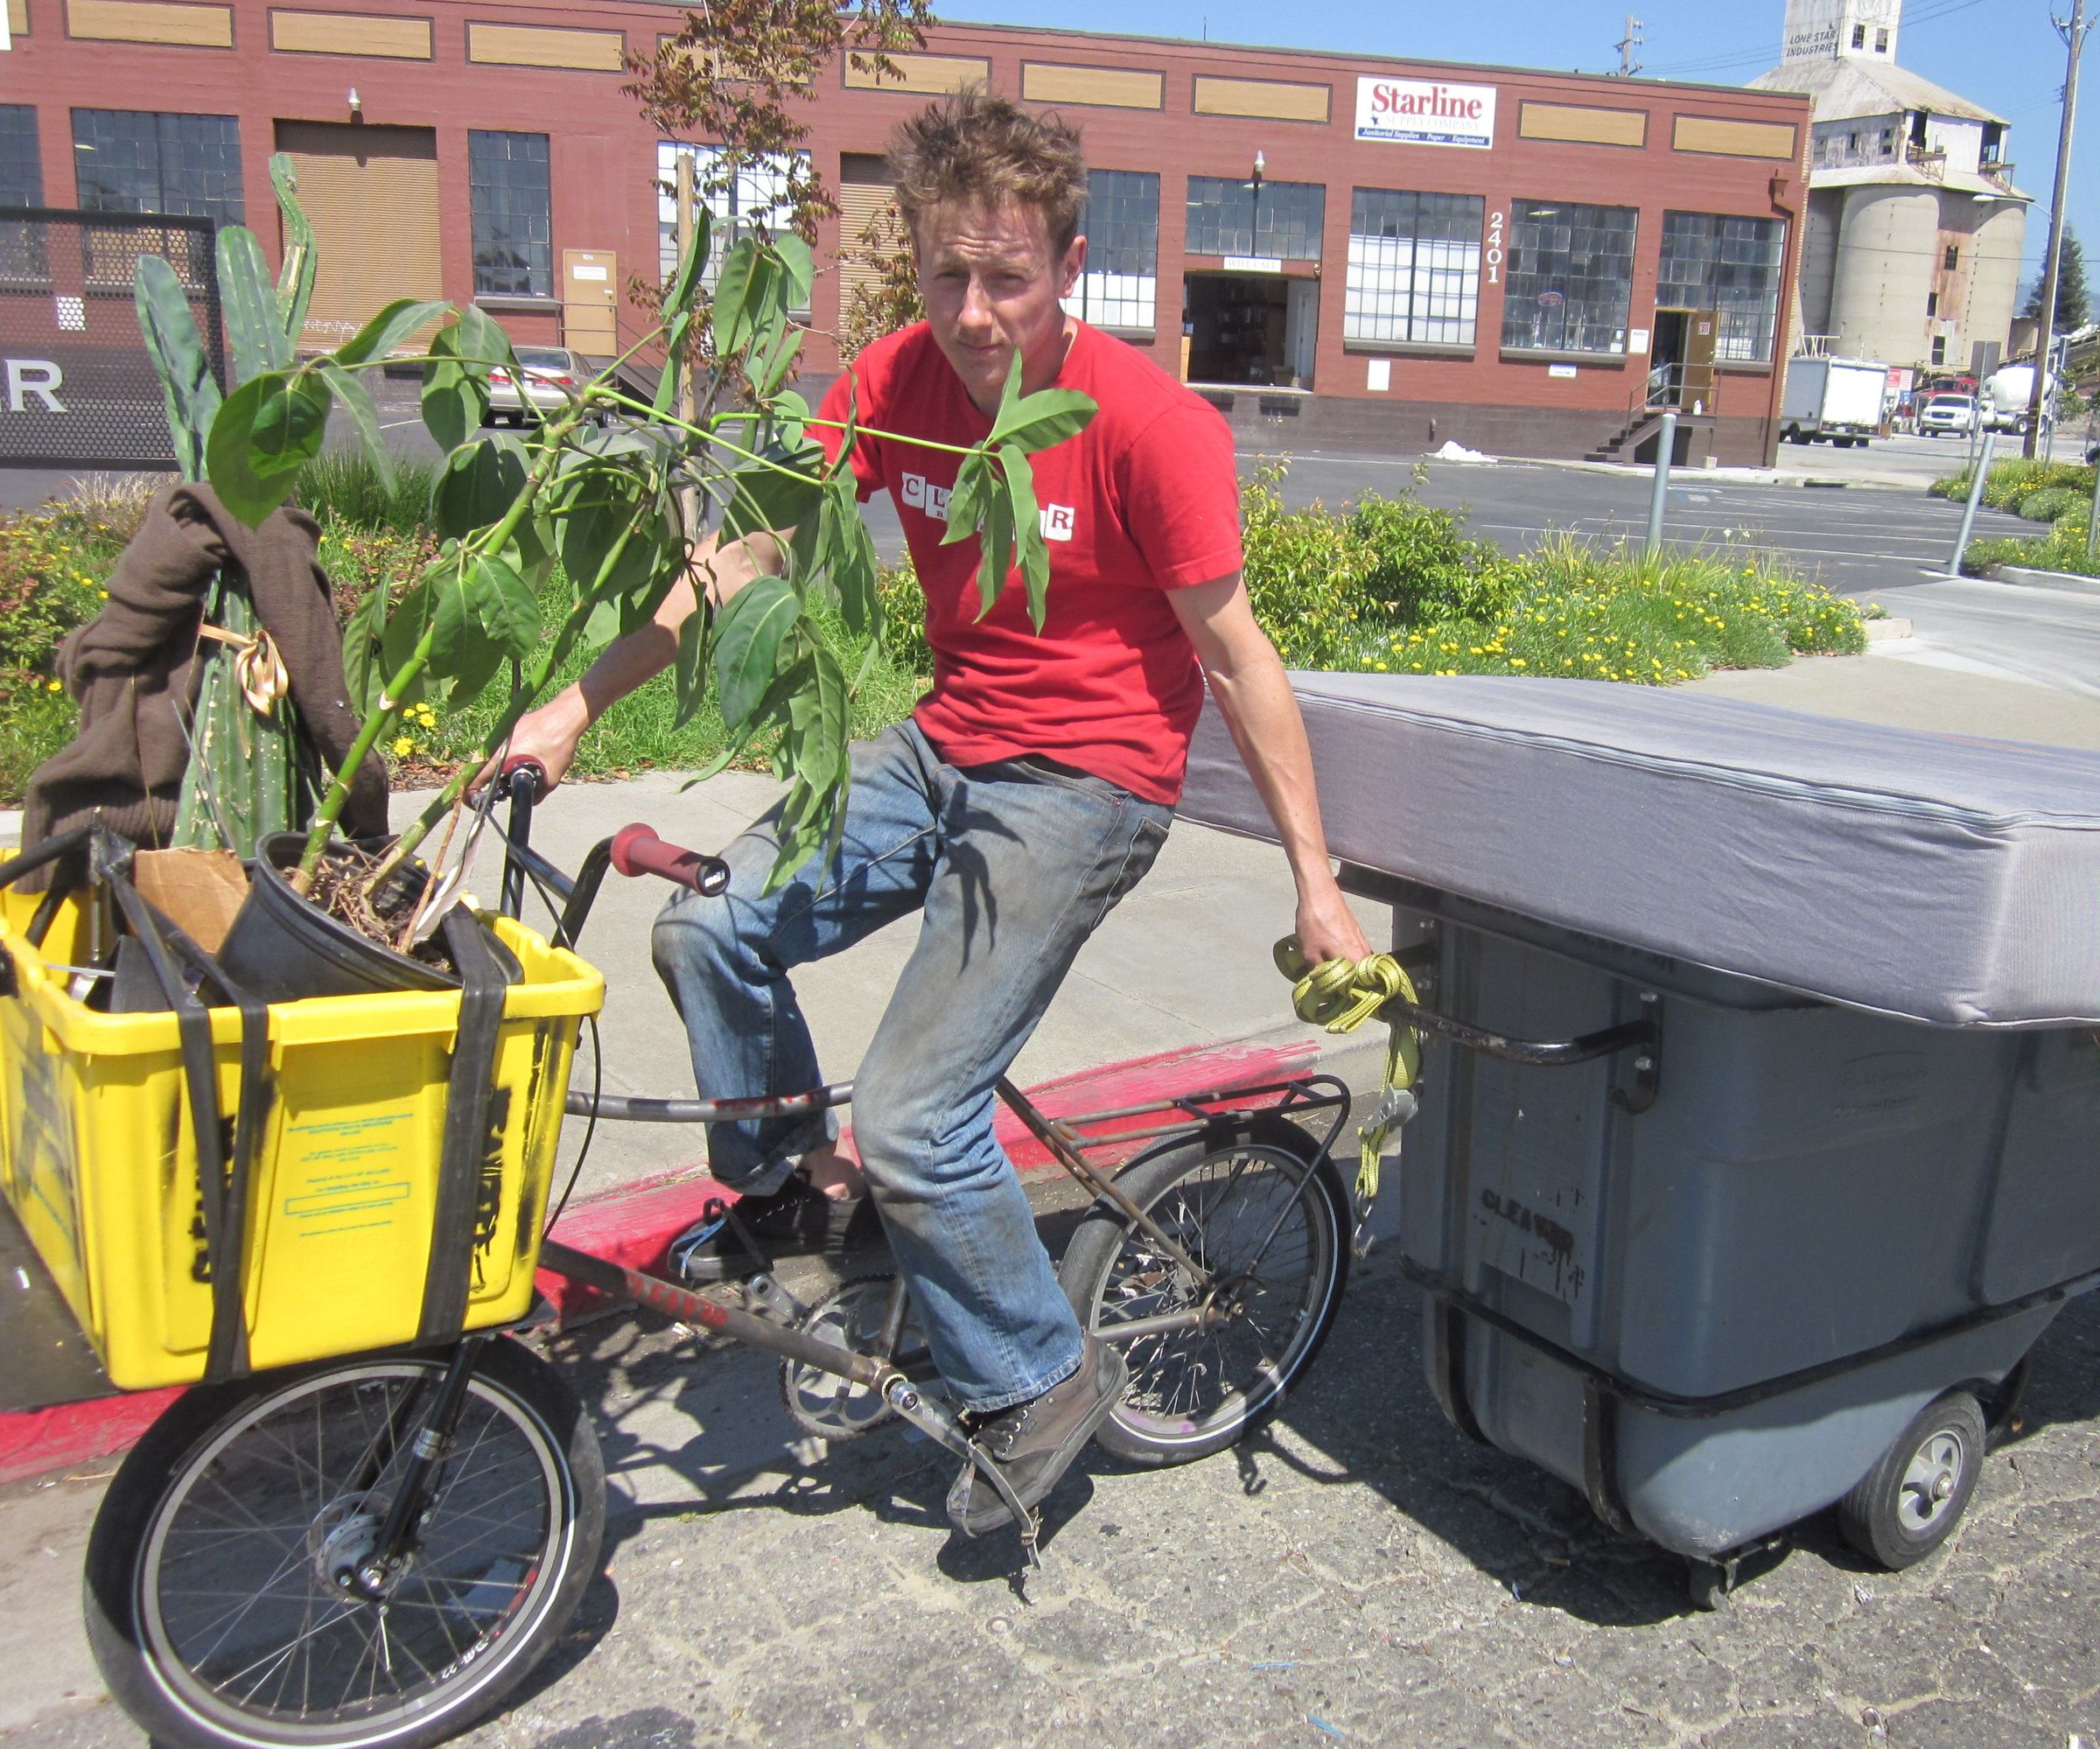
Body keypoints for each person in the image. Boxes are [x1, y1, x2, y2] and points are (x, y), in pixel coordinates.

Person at [501, 89, 1369, 1535]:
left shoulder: (1147, 426)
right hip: (942, 744)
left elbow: (1236, 657)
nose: (971, 313)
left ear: (1070, 264)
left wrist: (1316, 887)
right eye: (944, 271)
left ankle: (1036, 1377)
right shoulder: (893, 378)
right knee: (707, 928)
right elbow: (745, 553)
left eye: (1006, 278)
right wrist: (575, 706)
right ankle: (796, 1198)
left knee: (915, 1111)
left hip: (1086, 786)